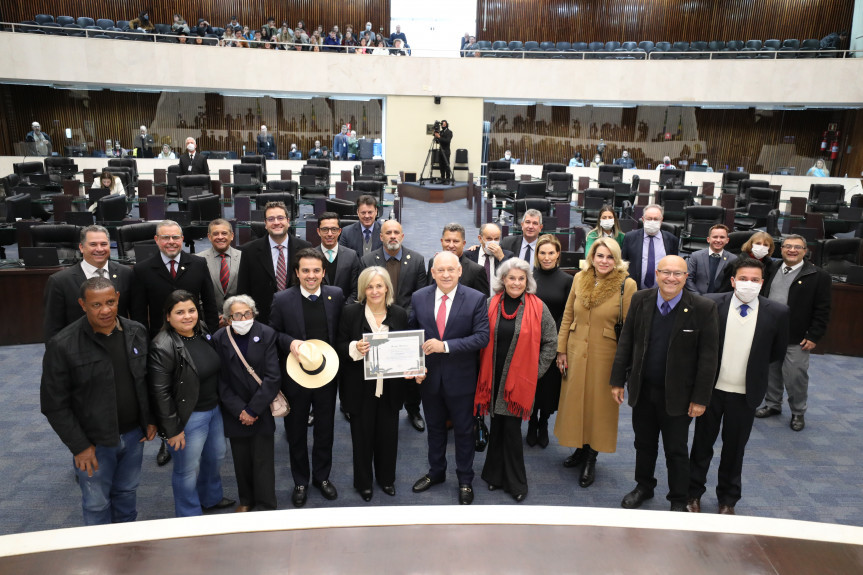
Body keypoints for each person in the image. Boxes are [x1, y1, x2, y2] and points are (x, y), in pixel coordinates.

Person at [41, 277, 157, 526]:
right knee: (96, 504)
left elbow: (144, 381)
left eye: (110, 302)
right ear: (83, 304)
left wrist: (149, 420)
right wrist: (79, 446)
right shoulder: (62, 345)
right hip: (94, 444)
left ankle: (126, 548)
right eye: (96, 305)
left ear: (117, 297)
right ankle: (100, 559)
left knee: (127, 494)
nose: (105, 310)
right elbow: (54, 404)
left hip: (134, 435)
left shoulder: (136, 331)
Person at [610, 255, 719, 512]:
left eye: (677, 273)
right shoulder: (640, 300)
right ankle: (644, 486)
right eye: (666, 272)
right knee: (643, 444)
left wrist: (701, 398)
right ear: (657, 274)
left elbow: (708, 358)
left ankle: (678, 499)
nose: (671, 278)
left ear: (686, 277)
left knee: (675, 450)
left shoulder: (703, 308)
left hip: (679, 397)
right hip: (644, 390)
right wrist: (617, 381)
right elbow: (626, 341)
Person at [688, 258, 789, 515]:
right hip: (710, 391)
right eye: (743, 279)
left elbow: (775, 352)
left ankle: (727, 500)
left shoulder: (777, 312)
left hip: (745, 394)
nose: (748, 284)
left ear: (762, 283)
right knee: (701, 446)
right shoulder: (711, 303)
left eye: (755, 280)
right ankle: (692, 494)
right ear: (733, 281)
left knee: (734, 450)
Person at [409, 251, 490, 505]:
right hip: (429, 379)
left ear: (460, 271)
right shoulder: (419, 297)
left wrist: (444, 346)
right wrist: (415, 366)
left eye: (450, 270)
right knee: (434, 429)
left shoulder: (476, 299)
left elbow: (481, 337)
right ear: (432, 272)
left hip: (462, 379)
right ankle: (436, 473)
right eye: (440, 270)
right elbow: (413, 335)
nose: (445, 275)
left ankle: (465, 479)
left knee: (464, 431)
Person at [555, 238, 636, 486]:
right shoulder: (580, 278)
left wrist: (623, 367)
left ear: (617, 259)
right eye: (600, 256)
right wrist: (561, 350)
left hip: (606, 353)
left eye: (610, 257)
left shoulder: (626, 284)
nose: (604, 261)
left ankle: (591, 456)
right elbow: (568, 314)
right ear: (592, 256)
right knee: (576, 402)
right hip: (576, 350)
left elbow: (629, 328)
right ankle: (579, 448)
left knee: (599, 407)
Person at [475, 258, 557, 502]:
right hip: (492, 377)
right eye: (512, 278)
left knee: (511, 431)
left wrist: (534, 372)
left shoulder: (538, 307)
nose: (516, 282)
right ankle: (494, 476)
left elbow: (551, 342)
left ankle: (516, 482)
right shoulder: (490, 303)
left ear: (528, 281)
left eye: (521, 278)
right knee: (498, 426)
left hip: (518, 382)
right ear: (502, 280)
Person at [270, 249, 345, 507]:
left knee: (325, 430)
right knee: (296, 431)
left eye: (316, 270)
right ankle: (300, 481)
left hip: (326, 377)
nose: (311, 275)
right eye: (305, 271)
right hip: (295, 378)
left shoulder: (336, 295)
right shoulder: (282, 299)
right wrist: (290, 342)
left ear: (323, 272)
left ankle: (322, 477)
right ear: (297, 273)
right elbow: (274, 333)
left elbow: (340, 333)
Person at [148, 290, 233, 517]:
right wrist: (172, 430)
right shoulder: (162, 345)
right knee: (187, 469)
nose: (187, 316)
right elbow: (160, 393)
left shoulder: (202, 329)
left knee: (216, 456)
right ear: (168, 316)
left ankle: (211, 497)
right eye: (180, 312)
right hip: (188, 416)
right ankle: (188, 514)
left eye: (191, 310)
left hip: (214, 409)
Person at [337, 267, 410, 501]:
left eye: (379, 285)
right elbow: (338, 347)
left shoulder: (399, 314)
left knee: (388, 438)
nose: (375, 290)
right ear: (363, 289)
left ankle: (386, 479)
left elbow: (407, 350)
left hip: (390, 388)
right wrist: (354, 348)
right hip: (360, 389)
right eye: (369, 286)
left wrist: (410, 366)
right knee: (362, 438)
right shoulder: (350, 313)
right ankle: (364, 483)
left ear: (387, 287)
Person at [212, 295, 281, 512]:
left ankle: (266, 503)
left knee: (263, 460)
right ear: (228, 319)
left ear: (254, 313)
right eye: (237, 315)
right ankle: (246, 500)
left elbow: (272, 377)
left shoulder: (267, 333)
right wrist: (240, 409)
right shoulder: (219, 338)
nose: (243, 318)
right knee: (240, 459)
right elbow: (220, 380)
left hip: (260, 408)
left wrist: (253, 409)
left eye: (247, 313)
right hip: (235, 410)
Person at [756, 235, 832, 432]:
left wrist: (814, 335)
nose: (792, 250)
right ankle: (773, 404)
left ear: (805, 251)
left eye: (797, 247)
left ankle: (798, 412)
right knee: (771, 371)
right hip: (770, 331)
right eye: (788, 246)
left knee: (795, 375)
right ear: (781, 249)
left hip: (797, 336)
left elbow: (823, 309)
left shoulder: (819, 276)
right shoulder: (771, 268)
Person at [360, 219, 428, 432]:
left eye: (396, 232)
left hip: (407, 324)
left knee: (410, 373)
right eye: (387, 232)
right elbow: (365, 294)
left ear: (402, 236)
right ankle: (381, 407)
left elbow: (419, 296)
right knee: (382, 370)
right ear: (380, 236)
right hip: (378, 323)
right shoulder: (368, 260)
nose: (392, 236)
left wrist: (401, 318)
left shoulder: (416, 260)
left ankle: (413, 410)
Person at [44, 225, 135, 341]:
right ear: (81, 247)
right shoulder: (60, 281)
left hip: (118, 343)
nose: (99, 249)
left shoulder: (126, 273)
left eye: (103, 244)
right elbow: (52, 327)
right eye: (93, 244)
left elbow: (134, 316)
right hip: (79, 347)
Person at [131, 220, 219, 338]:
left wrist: (211, 336)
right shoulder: (142, 270)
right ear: (156, 239)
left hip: (195, 335)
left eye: (175, 237)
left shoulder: (199, 264)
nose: (171, 242)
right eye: (166, 237)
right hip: (160, 340)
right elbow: (139, 314)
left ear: (182, 239)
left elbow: (210, 305)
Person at [529, 235, 573, 447]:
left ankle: (543, 422)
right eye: (542, 253)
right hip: (529, 341)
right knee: (530, 384)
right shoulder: (528, 277)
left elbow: (568, 314)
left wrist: (560, 345)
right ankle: (531, 421)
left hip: (553, 341)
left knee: (548, 388)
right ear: (537, 255)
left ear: (558, 255)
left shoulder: (567, 280)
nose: (546, 257)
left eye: (551, 253)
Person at [236, 201, 312, 324]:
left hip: (297, 317)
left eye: (280, 218)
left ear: (288, 221)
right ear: (265, 224)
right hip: (262, 319)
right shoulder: (249, 251)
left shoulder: (305, 248)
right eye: (271, 219)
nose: (276, 222)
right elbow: (243, 289)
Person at [621, 204, 679, 290]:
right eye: (649, 219)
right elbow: (623, 263)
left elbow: (675, 266)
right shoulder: (630, 237)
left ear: (661, 220)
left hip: (662, 290)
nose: (652, 221)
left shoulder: (671, 239)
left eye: (656, 219)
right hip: (635, 290)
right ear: (643, 219)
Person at [196, 219, 242, 321]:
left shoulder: (244, 258)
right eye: (215, 234)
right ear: (209, 237)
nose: (220, 237)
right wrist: (214, 317)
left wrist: (233, 316)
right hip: (209, 320)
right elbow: (196, 294)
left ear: (232, 236)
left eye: (224, 233)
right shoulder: (197, 260)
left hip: (238, 319)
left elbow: (248, 291)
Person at [427, 223, 489, 296]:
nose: (451, 245)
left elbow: (482, 301)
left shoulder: (476, 271)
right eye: (447, 241)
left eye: (456, 241)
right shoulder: (433, 262)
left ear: (463, 243)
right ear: (441, 242)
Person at [317, 211, 360, 303]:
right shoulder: (310, 257)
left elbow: (356, 289)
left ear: (340, 231)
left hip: (345, 311)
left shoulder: (351, 256)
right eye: (325, 229)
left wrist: (345, 309)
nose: (329, 234)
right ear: (318, 231)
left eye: (334, 229)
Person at [463, 223, 514, 292]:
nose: (493, 243)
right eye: (489, 239)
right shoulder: (469, 256)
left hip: (498, 300)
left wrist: (501, 258)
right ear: (480, 239)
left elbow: (512, 278)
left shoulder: (508, 256)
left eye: (496, 239)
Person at [685, 224, 732, 295]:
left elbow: (731, 284)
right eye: (715, 237)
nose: (718, 240)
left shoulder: (733, 259)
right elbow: (688, 278)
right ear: (708, 239)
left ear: (727, 240)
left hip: (720, 300)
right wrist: (697, 295)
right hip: (697, 298)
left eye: (722, 237)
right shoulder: (696, 256)